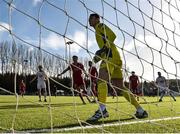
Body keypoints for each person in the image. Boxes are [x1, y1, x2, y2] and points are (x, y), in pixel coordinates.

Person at [87, 13, 148, 121]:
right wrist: (100, 54)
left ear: (97, 19)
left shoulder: (100, 26)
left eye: (91, 18)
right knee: (120, 86)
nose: (89, 20)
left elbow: (112, 35)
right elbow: (107, 43)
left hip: (110, 57)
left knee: (101, 80)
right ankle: (140, 110)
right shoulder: (97, 30)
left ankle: (102, 110)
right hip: (115, 58)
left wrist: (102, 51)